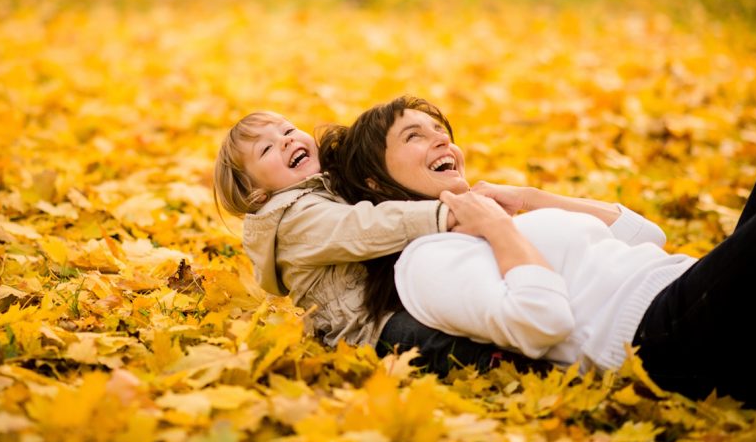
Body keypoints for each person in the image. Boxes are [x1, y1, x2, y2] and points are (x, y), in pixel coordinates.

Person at [319, 95, 756, 408]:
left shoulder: (501, 217)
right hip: (681, 345)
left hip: (697, 295)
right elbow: (539, 321)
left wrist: (531, 200)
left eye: (439, 129)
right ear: (374, 181)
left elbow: (647, 237)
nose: (441, 138)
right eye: (414, 135)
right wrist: (496, 228)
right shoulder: (424, 262)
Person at [212, 111, 535, 375]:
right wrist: (445, 214)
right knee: (425, 340)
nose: (285, 142)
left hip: (396, 294)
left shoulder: (325, 187)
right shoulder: (293, 220)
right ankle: (500, 367)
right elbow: (365, 227)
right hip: (367, 328)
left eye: (288, 130)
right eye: (266, 149)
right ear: (257, 193)